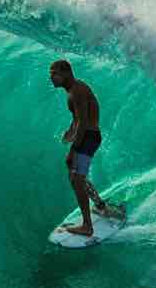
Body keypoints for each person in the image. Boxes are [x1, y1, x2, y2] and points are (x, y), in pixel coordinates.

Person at [49, 58, 119, 237]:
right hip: (87, 136)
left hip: (89, 137)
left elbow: (84, 122)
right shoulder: (73, 90)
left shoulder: (77, 91)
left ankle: (87, 226)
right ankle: (101, 206)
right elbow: (78, 119)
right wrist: (69, 132)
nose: (51, 78)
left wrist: (73, 149)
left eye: (54, 74)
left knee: (76, 179)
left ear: (65, 73)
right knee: (76, 176)